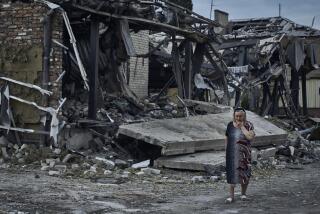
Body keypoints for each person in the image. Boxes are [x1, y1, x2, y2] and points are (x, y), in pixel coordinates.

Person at [225, 107, 255, 203]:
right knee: (231, 175)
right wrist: (226, 150)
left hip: (245, 155)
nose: (238, 118)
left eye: (240, 116)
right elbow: (226, 137)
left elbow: (250, 137)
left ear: (244, 116)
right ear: (234, 116)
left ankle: (243, 194)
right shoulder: (230, 125)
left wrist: (242, 127)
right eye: (236, 116)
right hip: (232, 154)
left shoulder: (249, 125)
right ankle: (231, 197)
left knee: (244, 175)